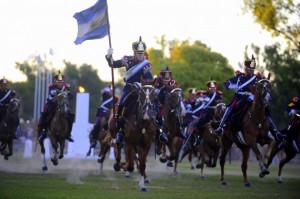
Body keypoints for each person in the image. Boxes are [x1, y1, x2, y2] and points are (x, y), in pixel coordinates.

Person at [214, 55, 285, 141]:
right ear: (246, 69)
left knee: (265, 110)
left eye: (253, 69)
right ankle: (221, 127)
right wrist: (231, 86)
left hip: (253, 99)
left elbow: (263, 86)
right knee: (231, 107)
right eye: (250, 69)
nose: (252, 71)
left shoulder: (257, 79)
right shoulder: (239, 77)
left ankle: (275, 132)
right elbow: (226, 83)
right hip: (240, 97)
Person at [105, 36, 153, 143]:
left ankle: (159, 130)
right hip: (129, 89)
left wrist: (142, 84)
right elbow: (112, 64)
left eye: (142, 53)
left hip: (142, 91)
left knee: (153, 105)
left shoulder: (146, 65)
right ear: (134, 53)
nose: (141, 55)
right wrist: (109, 56)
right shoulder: (127, 60)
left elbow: (149, 79)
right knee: (122, 104)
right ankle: (120, 130)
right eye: (138, 53)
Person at [37, 71, 74, 142]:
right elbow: (52, 93)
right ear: (56, 81)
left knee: (70, 115)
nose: (60, 83)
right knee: (45, 113)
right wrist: (62, 93)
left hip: (62, 104)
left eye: (61, 82)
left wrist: (69, 95)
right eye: (58, 82)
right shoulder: (52, 86)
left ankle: (68, 134)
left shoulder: (66, 87)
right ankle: (43, 132)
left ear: (63, 82)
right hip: (53, 103)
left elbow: (69, 95)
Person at [154, 67, 187, 141]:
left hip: (169, 103)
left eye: (168, 78)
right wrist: (161, 88)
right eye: (165, 79)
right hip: (159, 102)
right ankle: (158, 131)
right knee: (154, 114)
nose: (166, 80)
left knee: (176, 114)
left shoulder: (172, 82)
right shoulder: (157, 81)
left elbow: (175, 90)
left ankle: (179, 130)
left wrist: (169, 88)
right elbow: (154, 90)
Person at [193, 79, 223, 146]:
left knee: (224, 122)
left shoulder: (218, 95)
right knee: (199, 124)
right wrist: (202, 99)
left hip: (216, 112)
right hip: (207, 112)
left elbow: (221, 103)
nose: (212, 89)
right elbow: (199, 101)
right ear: (208, 88)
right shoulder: (205, 94)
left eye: (214, 88)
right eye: (211, 88)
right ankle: (198, 138)